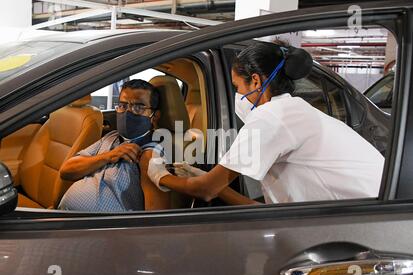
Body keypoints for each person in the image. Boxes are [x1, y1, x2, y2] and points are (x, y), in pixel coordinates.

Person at [147, 42, 385, 204]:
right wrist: (198, 176)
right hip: (363, 215)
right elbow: (262, 211)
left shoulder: (272, 117)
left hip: (366, 223)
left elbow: (205, 190)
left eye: (237, 87)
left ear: (256, 81)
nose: (237, 96)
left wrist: (158, 175)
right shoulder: (293, 110)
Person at [58, 79, 170, 212]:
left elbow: (155, 219)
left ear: (154, 116)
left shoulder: (150, 154)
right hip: (64, 217)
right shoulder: (111, 137)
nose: (128, 112)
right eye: (123, 105)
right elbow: (66, 171)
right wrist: (109, 156)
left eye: (139, 107)